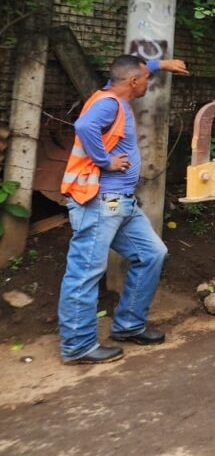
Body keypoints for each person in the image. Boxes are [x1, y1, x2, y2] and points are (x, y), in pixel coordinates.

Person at [58, 54, 188, 365]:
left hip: (120, 203)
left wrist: (161, 64)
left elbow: (135, 68)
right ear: (133, 82)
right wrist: (106, 161)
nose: (147, 83)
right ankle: (77, 346)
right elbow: (84, 125)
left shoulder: (114, 93)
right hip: (100, 202)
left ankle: (129, 325)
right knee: (85, 271)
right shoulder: (108, 104)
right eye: (145, 79)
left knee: (152, 253)